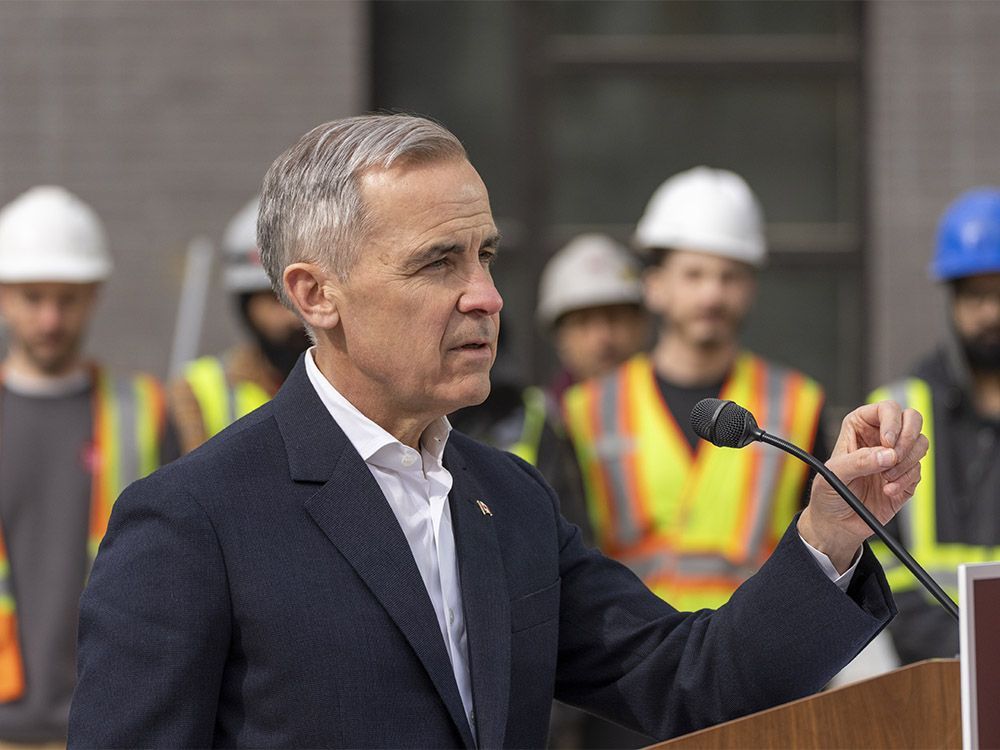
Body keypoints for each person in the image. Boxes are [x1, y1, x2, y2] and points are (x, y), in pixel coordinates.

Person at [69, 114, 925, 749]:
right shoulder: (192, 521)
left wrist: (829, 534)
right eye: (439, 262)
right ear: (316, 294)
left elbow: (691, 680)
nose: (486, 296)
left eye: (486, 256)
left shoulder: (507, 500)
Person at [562, 166, 828, 614]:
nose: (712, 295)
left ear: (751, 288)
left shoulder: (798, 404)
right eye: (694, 275)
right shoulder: (586, 411)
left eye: (730, 277)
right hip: (631, 650)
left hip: (760, 649)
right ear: (654, 286)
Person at [0, 186, 178, 746]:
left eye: (68, 299)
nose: (50, 319)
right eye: (33, 298)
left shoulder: (143, 411)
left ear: (95, 295)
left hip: (107, 721)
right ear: (3, 297)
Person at [869, 187, 1000, 665]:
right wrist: (961, 648)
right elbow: (878, 559)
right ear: (953, 300)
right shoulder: (898, 410)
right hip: (931, 670)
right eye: (976, 296)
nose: (991, 313)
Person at [169, 197, 310, 453]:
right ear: (245, 306)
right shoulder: (197, 391)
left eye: (310, 293)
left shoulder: (365, 387)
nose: (294, 317)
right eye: (275, 299)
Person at [537, 233, 650, 403]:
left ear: (641, 325)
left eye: (614, 317)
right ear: (559, 336)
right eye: (583, 322)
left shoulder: (674, 407)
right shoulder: (540, 414)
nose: (603, 337)